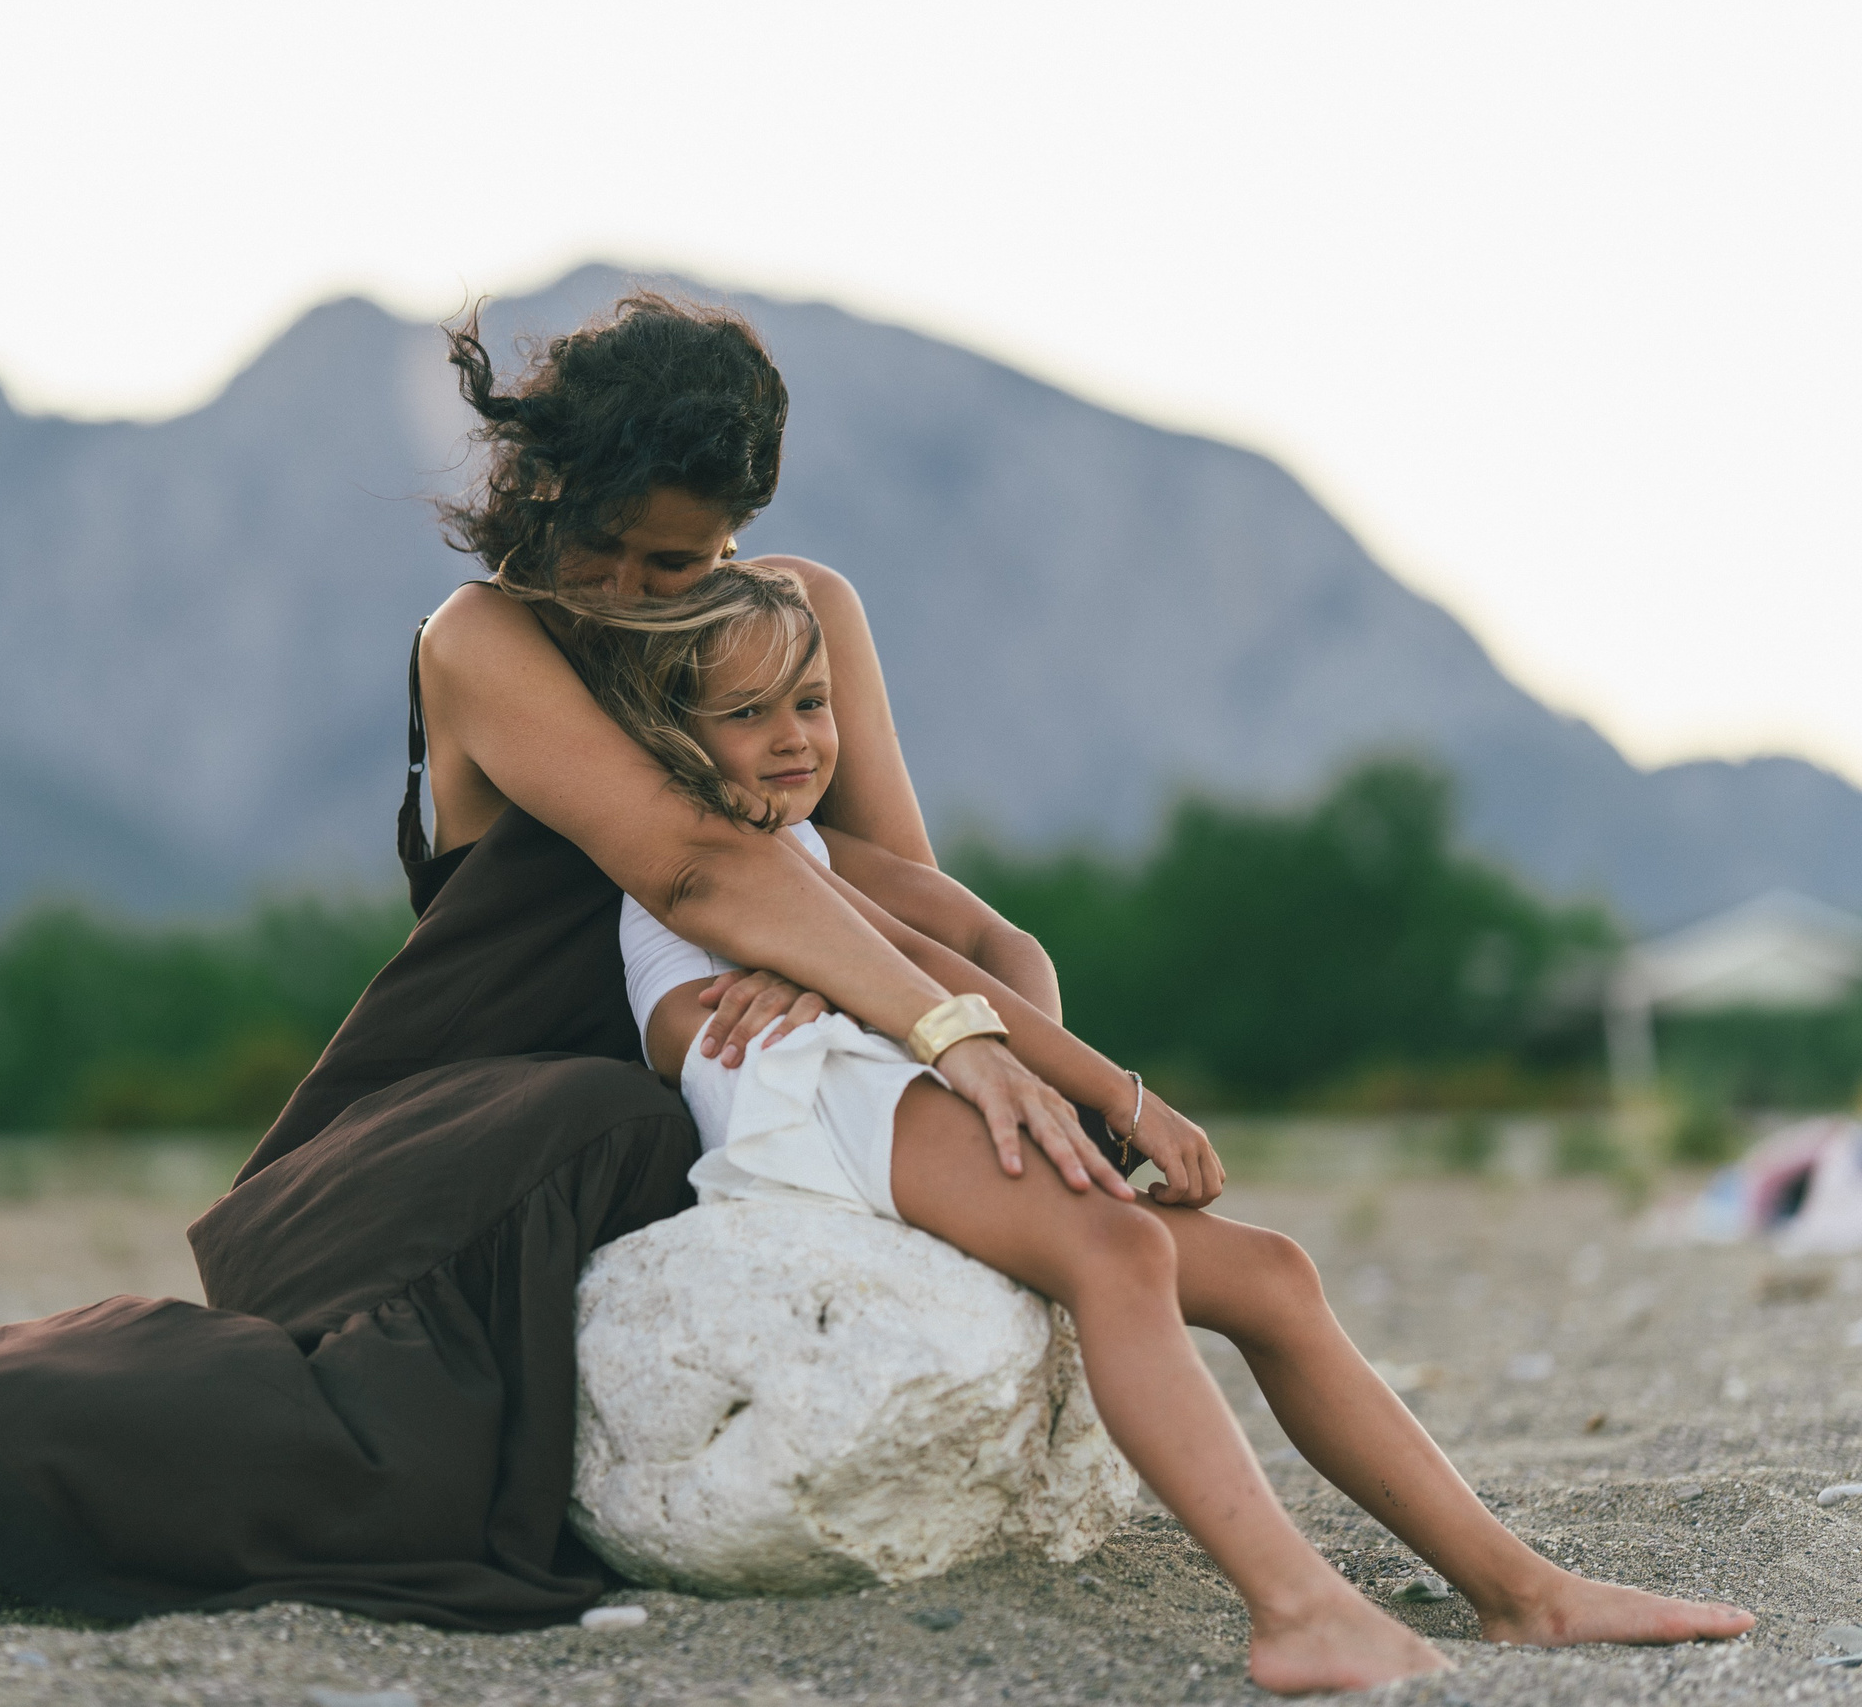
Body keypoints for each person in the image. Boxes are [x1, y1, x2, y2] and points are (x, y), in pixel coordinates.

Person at [411, 293, 1753, 1693]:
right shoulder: (492, 638)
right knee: (1119, 1258)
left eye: (694, 559)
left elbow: (924, 919)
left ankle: (1519, 1589)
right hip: (580, 1094)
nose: (646, 592)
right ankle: (1294, 1607)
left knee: (1272, 1270)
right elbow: (694, 881)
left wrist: (1053, 1069)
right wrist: (938, 1033)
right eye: (620, 553)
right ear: (548, 484)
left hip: (861, 1046)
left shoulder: (766, 629)